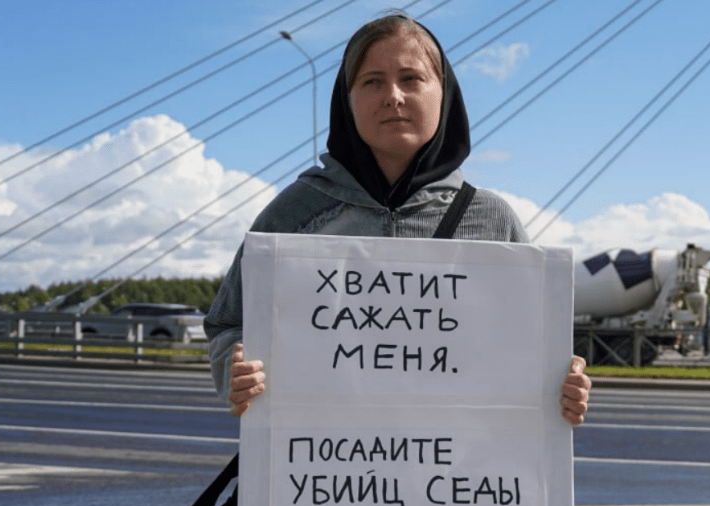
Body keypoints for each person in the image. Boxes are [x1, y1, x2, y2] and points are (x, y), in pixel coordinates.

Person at [204, 11, 591, 425]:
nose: (393, 96)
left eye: (411, 78)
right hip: (327, 469)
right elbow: (228, 324)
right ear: (346, 99)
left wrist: (562, 387)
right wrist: (236, 370)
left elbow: (532, 344)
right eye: (372, 81)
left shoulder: (492, 220)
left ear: (443, 94)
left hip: (451, 474)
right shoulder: (294, 212)